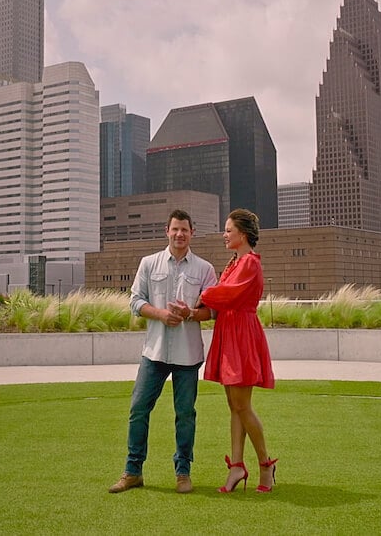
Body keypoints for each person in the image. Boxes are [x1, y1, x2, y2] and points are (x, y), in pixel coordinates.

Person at [109, 209, 218, 495]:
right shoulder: (148, 263)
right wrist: (160, 314)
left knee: (185, 414)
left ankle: (183, 472)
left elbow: (213, 311)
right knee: (138, 409)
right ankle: (133, 472)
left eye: (185, 229)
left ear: (192, 233)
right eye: (175, 229)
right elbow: (135, 301)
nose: (179, 234)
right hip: (153, 353)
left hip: (188, 355)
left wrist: (190, 314)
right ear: (166, 231)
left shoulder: (205, 269)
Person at [191, 208, 278, 493]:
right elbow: (222, 295)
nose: (224, 235)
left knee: (242, 405)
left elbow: (226, 295)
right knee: (235, 406)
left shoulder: (250, 263)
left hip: (241, 334)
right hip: (230, 331)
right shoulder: (234, 262)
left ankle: (266, 465)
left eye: (229, 230)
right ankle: (237, 466)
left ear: (242, 233)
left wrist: (200, 294)